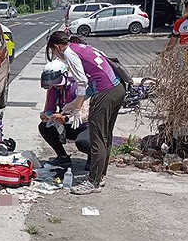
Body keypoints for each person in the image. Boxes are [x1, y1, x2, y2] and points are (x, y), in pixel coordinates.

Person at [46, 31, 124, 194]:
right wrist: (74, 102)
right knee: (105, 136)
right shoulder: (82, 47)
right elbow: (93, 78)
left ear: (56, 47)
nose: (56, 55)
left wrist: (78, 107)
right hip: (117, 88)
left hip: (105, 93)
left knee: (97, 137)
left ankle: (93, 182)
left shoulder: (69, 53)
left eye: (53, 52)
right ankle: (100, 176)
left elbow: (81, 81)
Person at [38, 59, 91, 168]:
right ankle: (63, 157)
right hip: (67, 125)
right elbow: (49, 109)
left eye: (56, 80)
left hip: (86, 126)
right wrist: (46, 116)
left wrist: (66, 119)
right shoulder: (53, 89)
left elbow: (85, 115)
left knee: (83, 143)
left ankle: (93, 157)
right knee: (44, 127)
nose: (55, 85)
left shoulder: (79, 87)